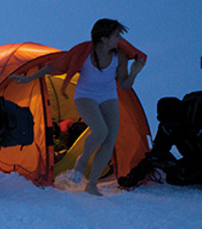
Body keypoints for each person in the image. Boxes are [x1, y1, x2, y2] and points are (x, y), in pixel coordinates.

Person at [12, 19, 146, 195]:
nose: (119, 39)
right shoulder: (83, 53)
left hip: (108, 96)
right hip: (85, 96)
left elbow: (124, 85)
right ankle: (81, 162)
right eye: (116, 35)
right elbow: (54, 66)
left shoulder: (119, 56)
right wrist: (29, 78)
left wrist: (135, 72)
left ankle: (91, 185)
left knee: (110, 138)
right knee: (100, 132)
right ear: (104, 39)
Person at [119, 58, 202, 188]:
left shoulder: (197, 117)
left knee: (183, 173)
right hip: (195, 157)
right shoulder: (167, 126)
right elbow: (157, 153)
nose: (170, 126)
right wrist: (135, 175)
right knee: (175, 176)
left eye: (172, 123)